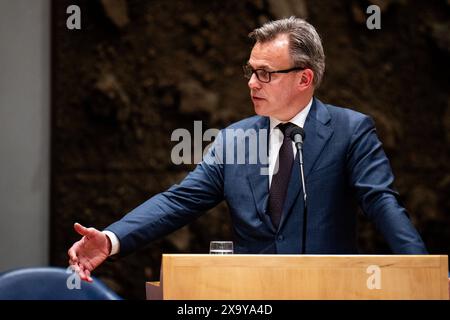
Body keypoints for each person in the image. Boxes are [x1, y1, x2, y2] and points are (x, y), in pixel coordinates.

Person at [68, 16, 429, 283]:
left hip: (328, 289)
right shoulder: (234, 139)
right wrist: (112, 238)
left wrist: (422, 271)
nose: (252, 83)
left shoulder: (351, 131)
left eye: (265, 73)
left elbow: (381, 202)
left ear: (304, 78)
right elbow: (179, 201)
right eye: (251, 71)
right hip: (249, 297)